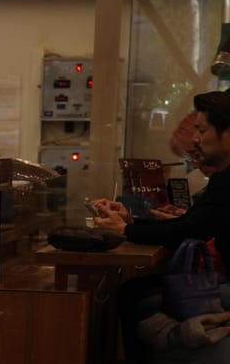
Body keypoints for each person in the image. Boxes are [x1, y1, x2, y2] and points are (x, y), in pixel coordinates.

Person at [91, 91, 230, 258]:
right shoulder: (221, 178)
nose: (195, 139)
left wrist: (124, 229)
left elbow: (188, 231)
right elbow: (188, 224)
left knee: (132, 285)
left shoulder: (226, 183)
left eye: (201, 130)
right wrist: (131, 222)